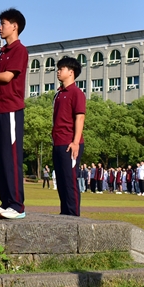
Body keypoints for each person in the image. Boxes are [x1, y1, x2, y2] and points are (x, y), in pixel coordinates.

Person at [0, 8, 29, 219]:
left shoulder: (19, 50)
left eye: (3, 24)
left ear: (14, 26)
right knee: (0, 158)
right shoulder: (1, 53)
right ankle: (5, 202)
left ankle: (17, 205)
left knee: (11, 157)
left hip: (10, 109)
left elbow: (7, 77)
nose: (0, 28)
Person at [50, 56, 86, 216]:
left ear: (71, 72)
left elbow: (80, 117)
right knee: (61, 181)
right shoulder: (58, 94)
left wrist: (75, 142)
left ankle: (73, 216)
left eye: (61, 69)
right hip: (58, 142)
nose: (58, 71)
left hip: (70, 143)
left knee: (70, 181)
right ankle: (64, 214)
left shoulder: (76, 93)